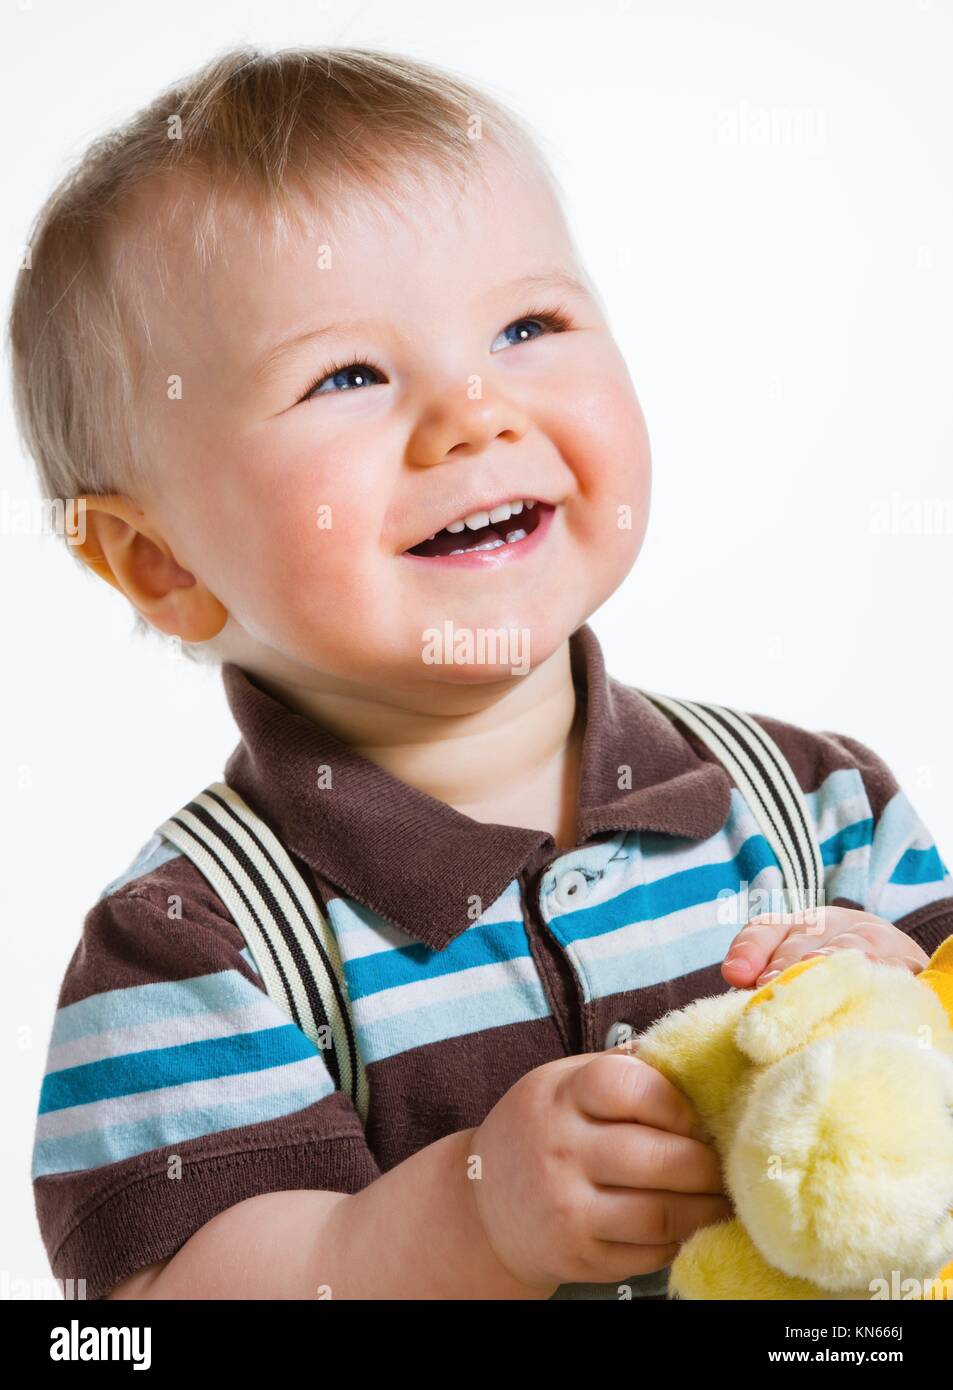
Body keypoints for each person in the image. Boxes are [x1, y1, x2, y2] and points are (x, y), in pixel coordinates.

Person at [12, 45, 952, 1301]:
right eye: (345, 375)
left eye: (528, 325)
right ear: (160, 558)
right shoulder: (190, 953)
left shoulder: (819, 804)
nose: (474, 411)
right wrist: (464, 1221)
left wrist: (912, 1025)